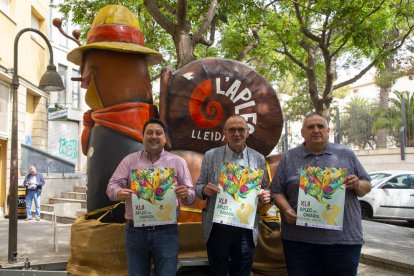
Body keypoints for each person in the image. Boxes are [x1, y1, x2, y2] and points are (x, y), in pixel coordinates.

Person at [270, 112, 372, 276]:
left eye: (320, 126)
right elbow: (276, 190)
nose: (316, 130)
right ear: (302, 132)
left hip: (343, 241)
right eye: (310, 127)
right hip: (299, 242)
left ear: (328, 130)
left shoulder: (345, 153)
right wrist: (286, 209)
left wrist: (357, 184)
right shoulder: (290, 156)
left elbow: (367, 186)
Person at [106, 118, 196, 276]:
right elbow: (111, 187)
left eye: (158, 133)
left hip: (166, 232)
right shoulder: (129, 161)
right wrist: (119, 193)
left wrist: (186, 193)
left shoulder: (178, 162)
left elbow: (191, 196)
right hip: (135, 231)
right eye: (149, 132)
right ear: (143, 137)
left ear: (165, 138)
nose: (154, 136)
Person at [195, 115, 271, 276]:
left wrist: (266, 195)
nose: (236, 133)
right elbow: (198, 186)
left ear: (247, 132)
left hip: (245, 228)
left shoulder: (258, 158)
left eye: (241, 129)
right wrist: (204, 190)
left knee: (242, 271)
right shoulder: (211, 155)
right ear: (225, 133)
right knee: (218, 271)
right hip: (217, 226)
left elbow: (264, 187)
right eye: (232, 130)